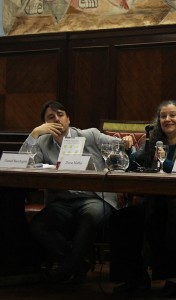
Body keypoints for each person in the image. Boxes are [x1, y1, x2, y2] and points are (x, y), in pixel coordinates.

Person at [110, 100, 176, 298]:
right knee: (123, 218)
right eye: (163, 116)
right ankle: (135, 278)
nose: (167, 119)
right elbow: (133, 166)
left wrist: (166, 162)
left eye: (172, 115)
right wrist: (128, 151)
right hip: (155, 201)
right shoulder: (154, 141)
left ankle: (173, 279)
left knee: (159, 218)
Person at [21, 100, 123, 284]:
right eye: (51, 117)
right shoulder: (43, 142)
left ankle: (67, 268)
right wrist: (34, 134)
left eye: (60, 115)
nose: (57, 119)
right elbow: (23, 162)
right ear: (45, 124)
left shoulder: (89, 135)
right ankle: (76, 264)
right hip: (63, 201)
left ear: (69, 118)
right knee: (38, 225)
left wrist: (126, 141)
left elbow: (118, 145)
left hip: (94, 198)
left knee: (90, 216)